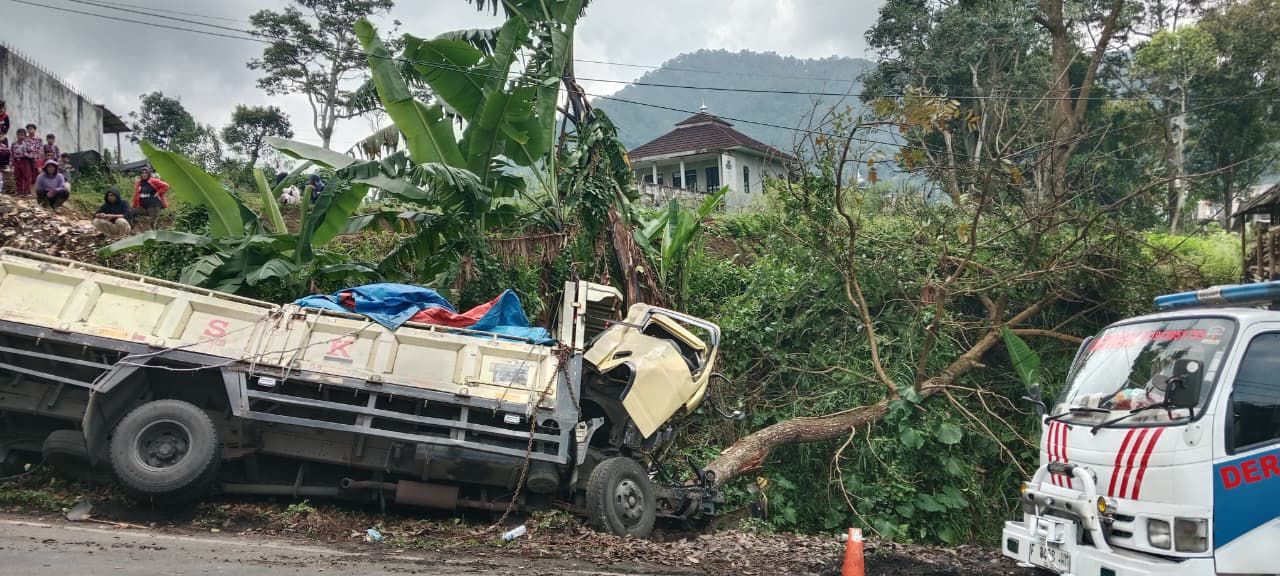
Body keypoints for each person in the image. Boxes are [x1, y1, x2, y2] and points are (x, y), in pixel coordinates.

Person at [10, 128, 36, 196]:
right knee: (18, 176)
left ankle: (26, 191)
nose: (20, 136)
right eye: (18, 135)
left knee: (26, 176)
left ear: (25, 136)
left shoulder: (27, 144)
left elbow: (32, 153)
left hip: (24, 161)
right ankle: (19, 190)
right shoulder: (14, 144)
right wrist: (11, 163)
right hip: (16, 161)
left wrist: (26, 155)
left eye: (22, 135)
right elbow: (11, 154)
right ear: (16, 135)